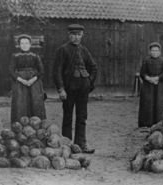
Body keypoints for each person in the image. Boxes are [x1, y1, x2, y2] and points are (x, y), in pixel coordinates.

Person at [53, 24, 97, 153]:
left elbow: (94, 67)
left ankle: (81, 143)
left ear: (82, 36)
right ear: (69, 35)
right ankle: (67, 145)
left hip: (83, 88)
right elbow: (57, 71)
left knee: (82, 116)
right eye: (73, 35)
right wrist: (61, 89)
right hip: (69, 89)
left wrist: (89, 82)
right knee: (67, 116)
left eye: (79, 35)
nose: (76, 37)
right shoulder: (63, 50)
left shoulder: (84, 50)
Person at [9, 34, 46, 122]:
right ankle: (20, 125)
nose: (24, 45)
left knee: (35, 102)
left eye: (26, 43)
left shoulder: (35, 56)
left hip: (34, 83)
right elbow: (11, 71)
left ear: (30, 44)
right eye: (22, 43)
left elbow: (41, 70)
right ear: (19, 45)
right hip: (20, 83)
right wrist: (22, 80)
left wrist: (32, 80)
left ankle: (36, 124)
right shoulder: (15, 56)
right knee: (20, 102)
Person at [138, 42, 163, 128]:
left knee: (160, 103)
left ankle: (160, 123)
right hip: (148, 86)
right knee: (148, 103)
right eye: (153, 50)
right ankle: (147, 123)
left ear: (160, 52)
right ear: (150, 52)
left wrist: (157, 78)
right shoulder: (146, 60)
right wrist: (149, 79)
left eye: (157, 50)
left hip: (160, 85)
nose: (155, 52)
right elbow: (142, 73)